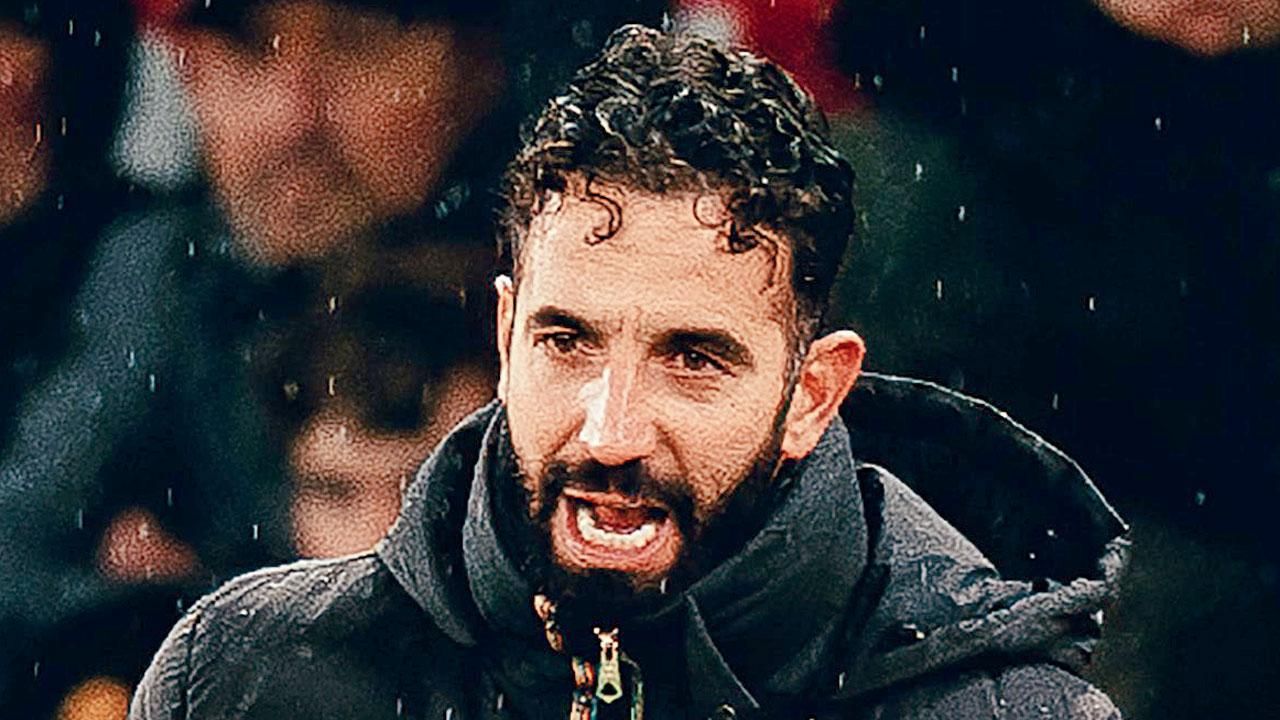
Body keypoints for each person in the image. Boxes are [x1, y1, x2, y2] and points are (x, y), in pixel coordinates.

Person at [129, 25, 1128, 720]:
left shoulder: (1005, 713)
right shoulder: (243, 679)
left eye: (691, 359)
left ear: (811, 394)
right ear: (507, 336)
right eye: (567, 343)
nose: (609, 432)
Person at [0, 0, 661, 715]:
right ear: (189, 72)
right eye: (250, 48)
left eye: (356, 44)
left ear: (476, 69)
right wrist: (143, 628)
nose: (294, 117)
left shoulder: (585, 288)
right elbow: (17, 554)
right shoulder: (159, 273)